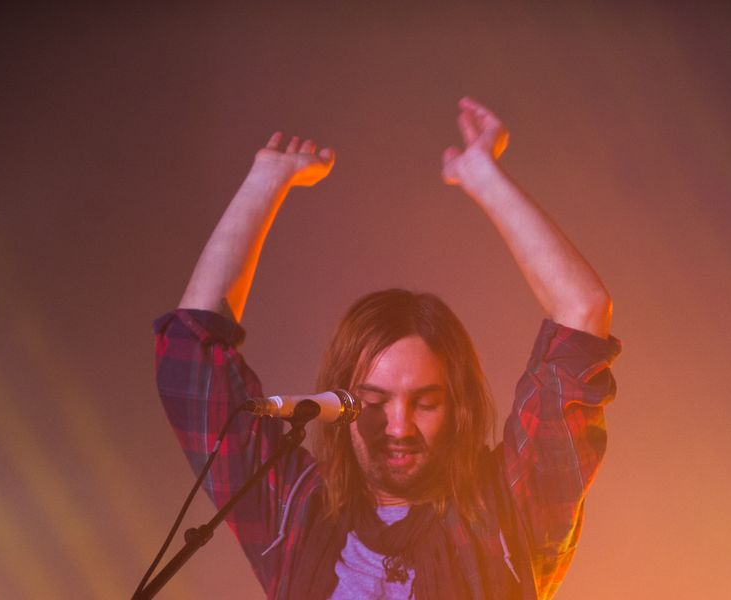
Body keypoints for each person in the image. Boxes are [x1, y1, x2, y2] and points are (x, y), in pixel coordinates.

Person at [154, 97, 620, 599]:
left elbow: (583, 316)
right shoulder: (296, 509)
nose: (397, 427)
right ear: (341, 404)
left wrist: (483, 175)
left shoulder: (507, 509)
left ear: (458, 404)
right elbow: (191, 361)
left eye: (424, 402)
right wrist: (266, 180)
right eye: (373, 402)